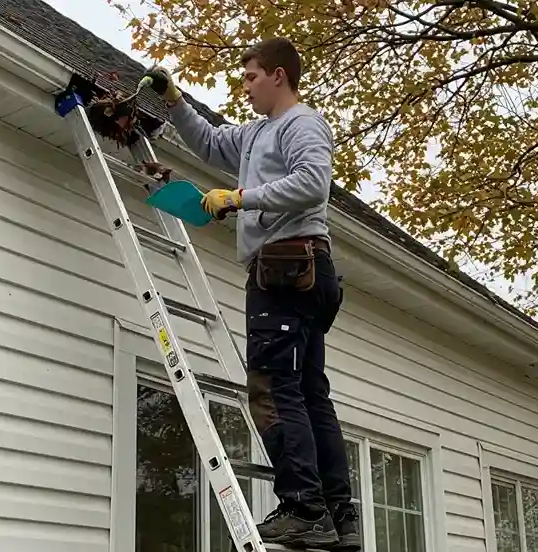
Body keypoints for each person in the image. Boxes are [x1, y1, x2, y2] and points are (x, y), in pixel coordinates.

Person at [144, 37, 360, 551]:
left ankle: (306, 510)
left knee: (274, 389)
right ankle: (337, 517)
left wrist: (240, 199)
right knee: (309, 394)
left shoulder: (301, 124)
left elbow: (313, 184)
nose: (244, 87)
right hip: (297, 273)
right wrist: (175, 101)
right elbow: (214, 143)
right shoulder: (258, 132)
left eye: (251, 77)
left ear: (279, 76)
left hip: (288, 268)